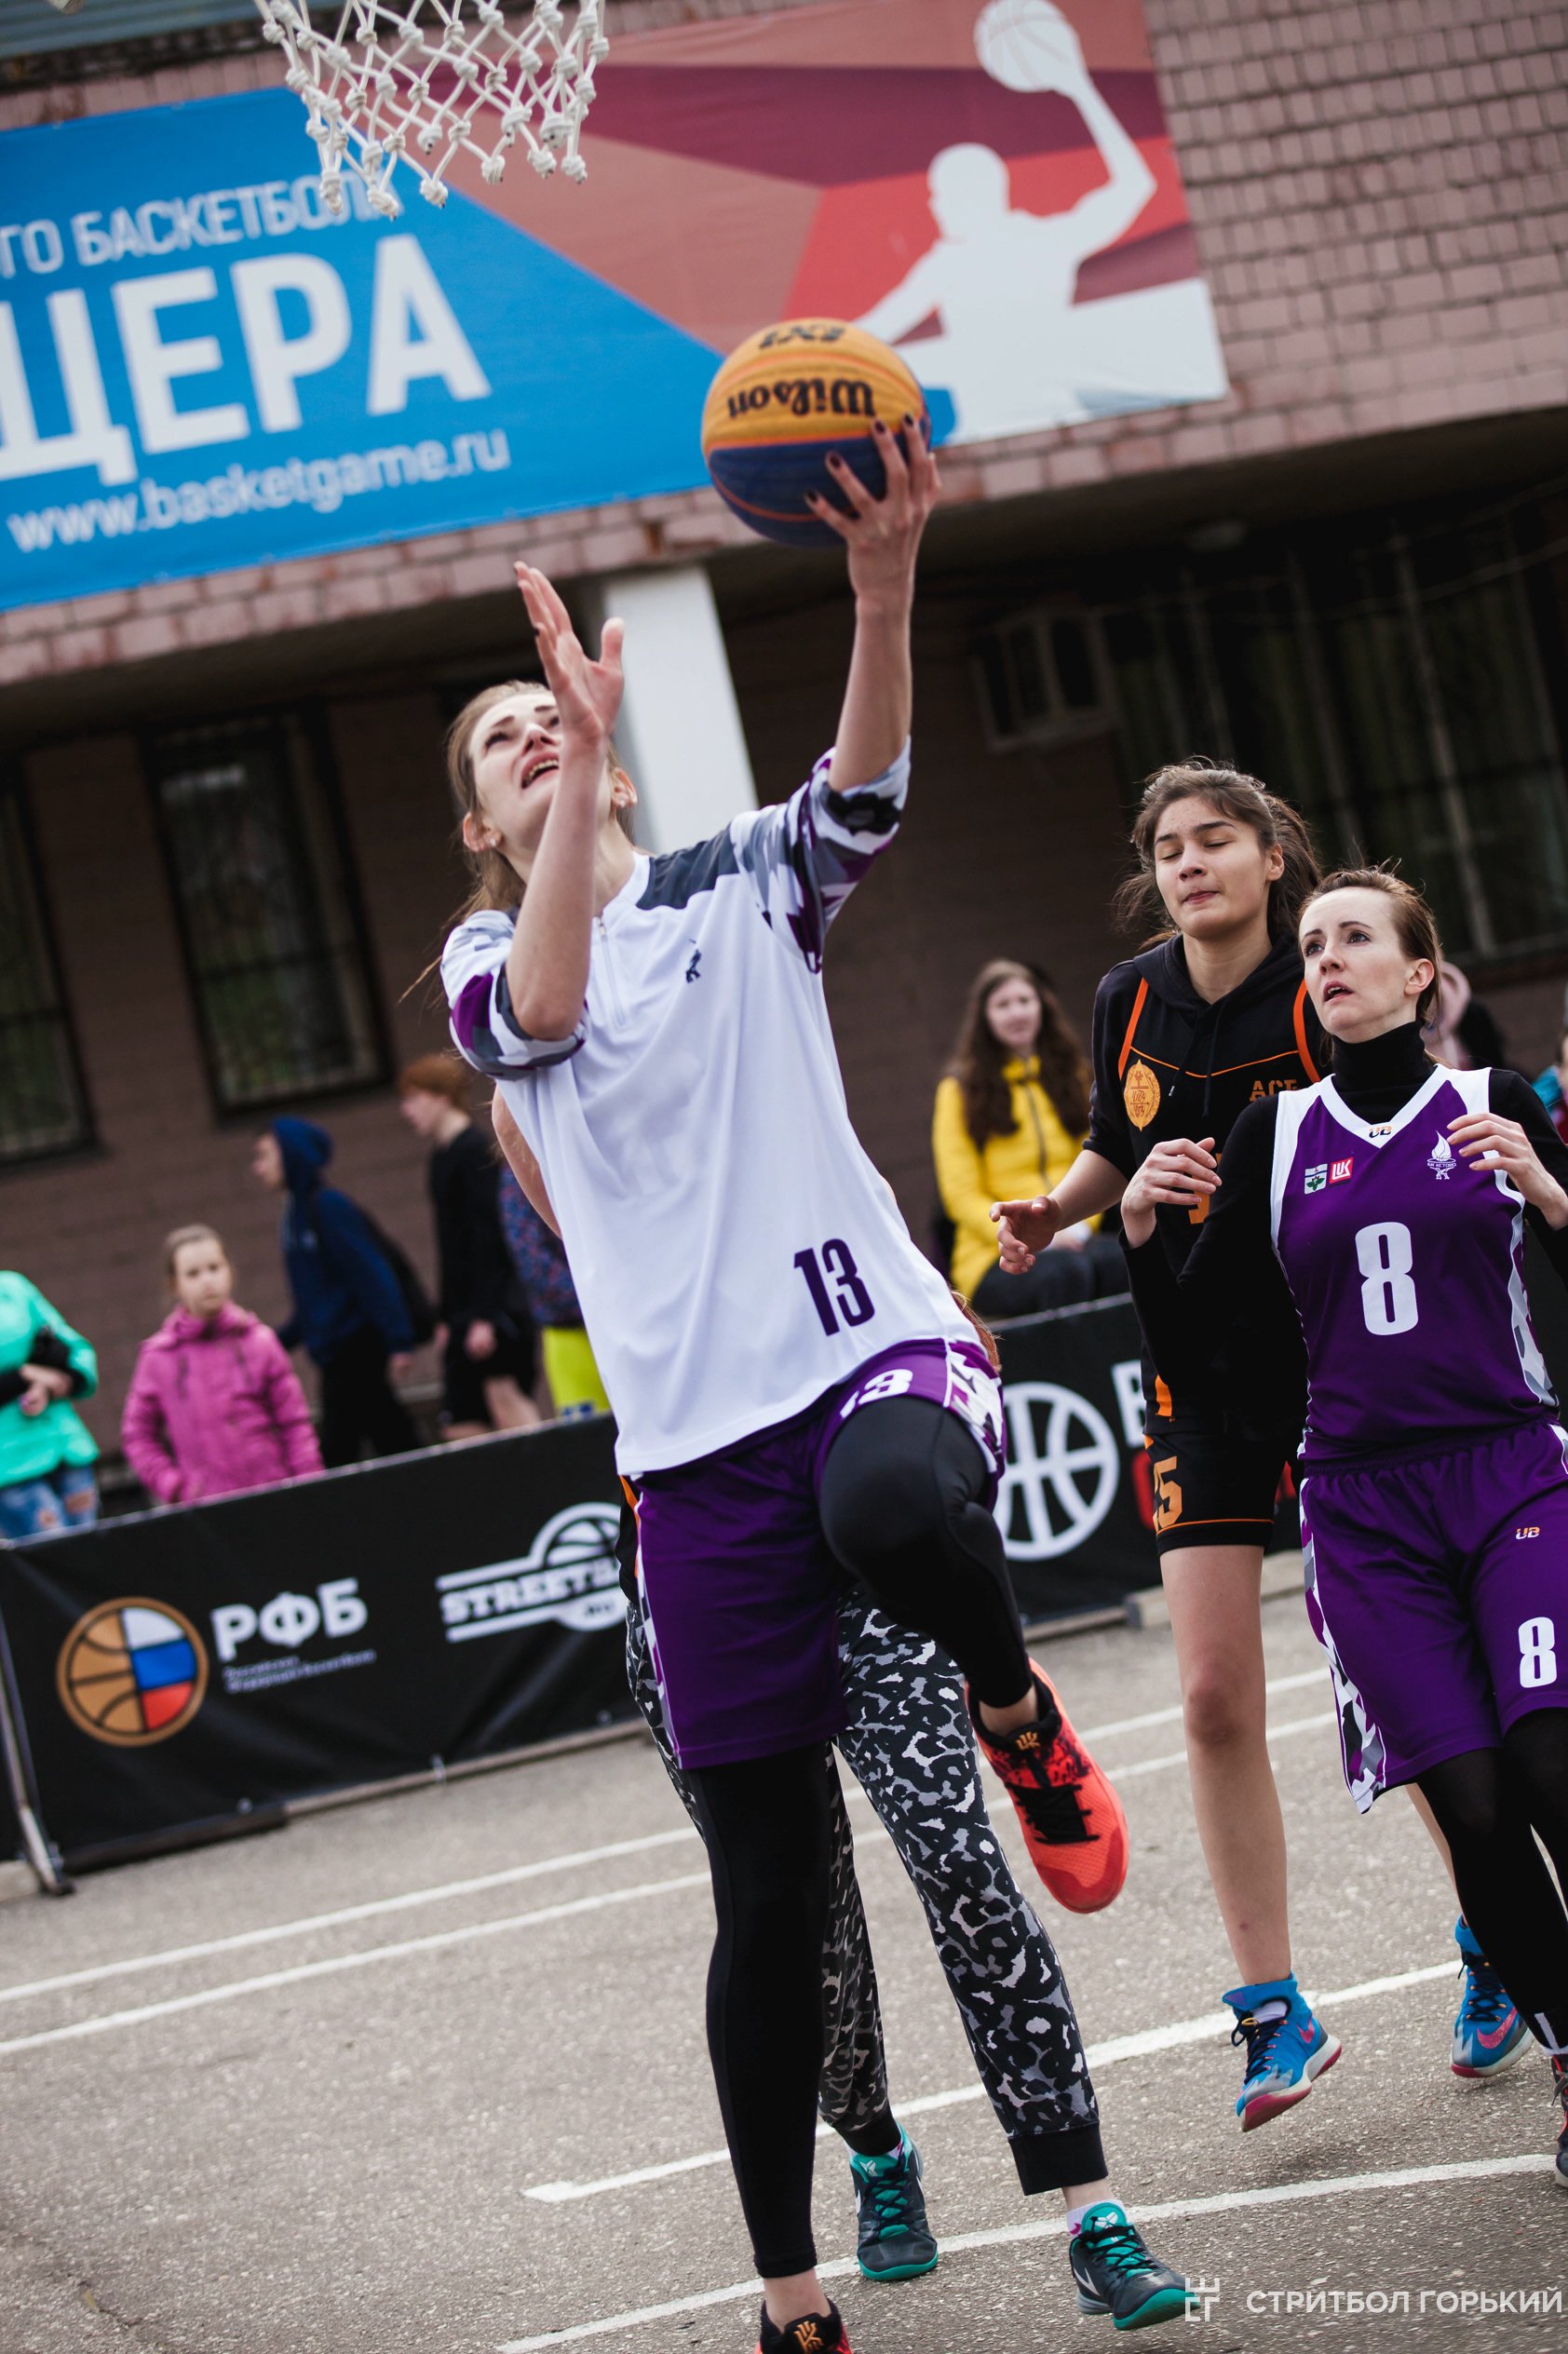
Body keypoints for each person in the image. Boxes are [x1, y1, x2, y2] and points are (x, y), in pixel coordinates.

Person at [440, 428, 1163, 2350]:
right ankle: (791, 2292)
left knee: (899, 1512)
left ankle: (1017, 1721)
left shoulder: (739, 884)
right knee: (770, 1906)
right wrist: (582, 754)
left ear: (615, 760)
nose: (537, 731)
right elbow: (544, 1009)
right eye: (503, 738)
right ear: (483, 825)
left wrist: (880, 585)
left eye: (552, 716)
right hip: (695, 1465)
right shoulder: (483, 966)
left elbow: (865, 783)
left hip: (865, 1363)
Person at [493, 1095, 1189, 2329]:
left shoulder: (774, 1122)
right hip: (708, 1577)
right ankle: (875, 2150)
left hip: (861, 1575)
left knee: (959, 1861)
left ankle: (1091, 2208)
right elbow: (521, 1109)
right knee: (795, 1923)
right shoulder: (588, 1154)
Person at [1116, 866, 1568, 2185]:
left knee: (1548, 1757)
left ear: (1419, 973)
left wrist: (1550, 1190)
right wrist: (1141, 1232)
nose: (1327, 958)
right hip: (1363, 1509)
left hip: (1511, 1476)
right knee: (1469, 1798)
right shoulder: (1274, 1134)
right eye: (1313, 942)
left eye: (1355, 937)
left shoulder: (1492, 1102)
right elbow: (1201, 1356)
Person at [933, 957, 1122, 1316]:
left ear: (1042, 1006)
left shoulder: (1074, 1075)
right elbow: (960, 1194)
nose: (1016, 1013)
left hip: (1072, 1232)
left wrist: (1073, 1224)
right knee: (1063, 1275)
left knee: (1126, 1261)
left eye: (1024, 1000)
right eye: (1003, 1005)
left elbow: (1097, 1159)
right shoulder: (958, 1091)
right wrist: (1024, 1233)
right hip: (993, 1252)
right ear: (984, 1017)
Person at [252, 1116, 419, 1468]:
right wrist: (270, 1343)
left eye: (265, 1155)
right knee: (388, 1440)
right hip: (334, 1354)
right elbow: (311, 1303)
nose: (258, 1168)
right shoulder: (294, 1217)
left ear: (291, 1154)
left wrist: (398, 1338)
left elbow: (371, 1273)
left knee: (343, 1450)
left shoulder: (327, 1207)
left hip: (356, 1348)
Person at [121, 1225, 322, 1505]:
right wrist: (175, 1487)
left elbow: (294, 1423)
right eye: (193, 1274)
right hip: (207, 1509)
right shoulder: (158, 1358)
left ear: (229, 1271)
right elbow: (138, 1436)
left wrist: (309, 1486)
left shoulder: (260, 1342)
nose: (207, 1281)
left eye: (214, 1268)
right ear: (175, 1285)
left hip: (275, 1497)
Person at [397, 1054, 540, 1440]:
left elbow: (489, 1238)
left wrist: (485, 1316)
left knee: (503, 1398)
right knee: (459, 1420)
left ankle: (548, 1470)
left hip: (493, 1308)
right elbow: (450, 1247)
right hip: (465, 1313)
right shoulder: (440, 1159)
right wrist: (447, 1317)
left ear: (441, 1096)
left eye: (414, 1098)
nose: (407, 1111)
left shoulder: (474, 1151)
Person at [493, 1145, 608, 1417]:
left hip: (619, 1314)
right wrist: (597, 1296)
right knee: (591, 1436)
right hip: (570, 1329)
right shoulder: (518, 1172)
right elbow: (533, 1259)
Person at [0, 1273, 98, 1541]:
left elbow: (74, 1351)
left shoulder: (13, 1286)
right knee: (55, 1561)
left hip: (65, 1446)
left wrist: (48, 1384)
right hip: (10, 1468)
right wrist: (23, 1375)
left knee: (92, 1554)